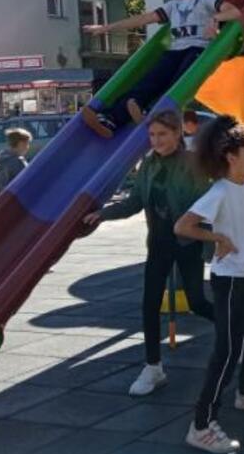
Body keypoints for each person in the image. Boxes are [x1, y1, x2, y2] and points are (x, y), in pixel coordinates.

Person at [83, 111, 216, 397]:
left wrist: (212, 243)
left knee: (196, 301)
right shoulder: (148, 165)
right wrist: (103, 214)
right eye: (152, 135)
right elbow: (134, 202)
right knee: (149, 304)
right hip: (158, 242)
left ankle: (236, 330)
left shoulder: (192, 163)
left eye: (163, 134)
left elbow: (206, 205)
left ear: (178, 133)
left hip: (187, 242)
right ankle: (153, 367)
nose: (156, 140)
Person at [175, 115, 244, 454]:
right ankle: (201, 425)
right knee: (227, 351)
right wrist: (217, 237)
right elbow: (183, 226)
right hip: (231, 280)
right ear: (231, 157)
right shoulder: (220, 191)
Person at [82, 0, 242, 137]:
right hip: (174, 51)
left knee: (177, 83)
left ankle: (151, 113)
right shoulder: (174, 4)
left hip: (197, 50)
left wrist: (215, 18)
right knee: (149, 82)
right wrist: (106, 28)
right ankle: (109, 119)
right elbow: (144, 18)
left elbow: (235, 12)